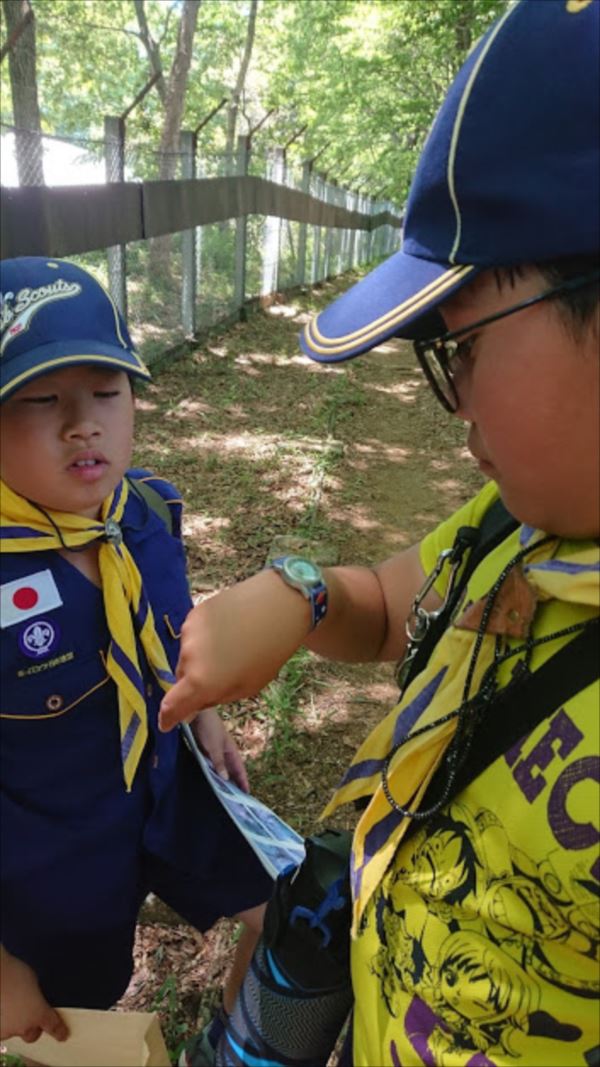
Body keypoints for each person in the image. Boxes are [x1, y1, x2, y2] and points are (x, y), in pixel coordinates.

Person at [157, 1, 600, 1064]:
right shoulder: (525, 523)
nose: (457, 409)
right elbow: (403, 603)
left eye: (460, 349)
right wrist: (304, 590)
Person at [0, 257, 273, 1061]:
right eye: (41, 399)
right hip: (48, 858)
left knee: (296, 914)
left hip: (170, 787)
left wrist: (209, 709)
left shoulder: (147, 511)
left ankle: (238, 1050)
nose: (83, 423)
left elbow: (169, 622)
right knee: (67, 1016)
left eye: (108, 394)